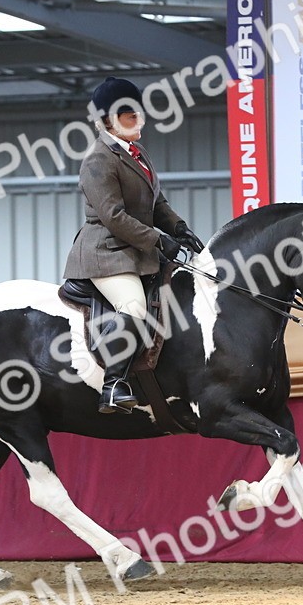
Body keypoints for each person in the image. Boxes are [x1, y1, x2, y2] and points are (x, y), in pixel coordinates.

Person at [64, 76, 205, 414]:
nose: (138, 120)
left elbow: (157, 203)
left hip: (139, 250)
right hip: (106, 253)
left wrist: (179, 228)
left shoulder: (138, 153)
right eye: (130, 115)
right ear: (108, 121)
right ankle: (113, 385)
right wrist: (160, 240)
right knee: (134, 307)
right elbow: (113, 216)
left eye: (139, 113)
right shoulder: (98, 161)